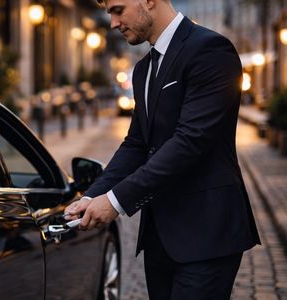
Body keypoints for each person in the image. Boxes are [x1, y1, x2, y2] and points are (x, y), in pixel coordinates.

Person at [63, 0, 260, 298]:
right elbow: (136, 144)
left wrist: (115, 202)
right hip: (160, 237)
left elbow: (190, 141)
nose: (113, 23)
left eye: (118, 10)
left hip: (206, 233)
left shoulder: (210, 49)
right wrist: (93, 195)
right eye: (109, 14)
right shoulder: (143, 69)